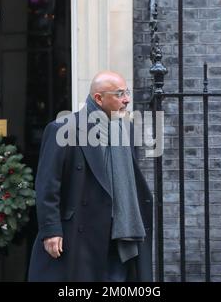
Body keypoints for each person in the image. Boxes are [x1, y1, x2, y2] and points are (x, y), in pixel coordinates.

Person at [28, 71, 153, 282]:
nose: (127, 99)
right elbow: (47, 185)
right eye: (120, 93)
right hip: (79, 234)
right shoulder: (63, 129)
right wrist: (50, 230)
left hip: (120, 234)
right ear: (98, 98)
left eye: (127, 92)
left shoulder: (127, 130)